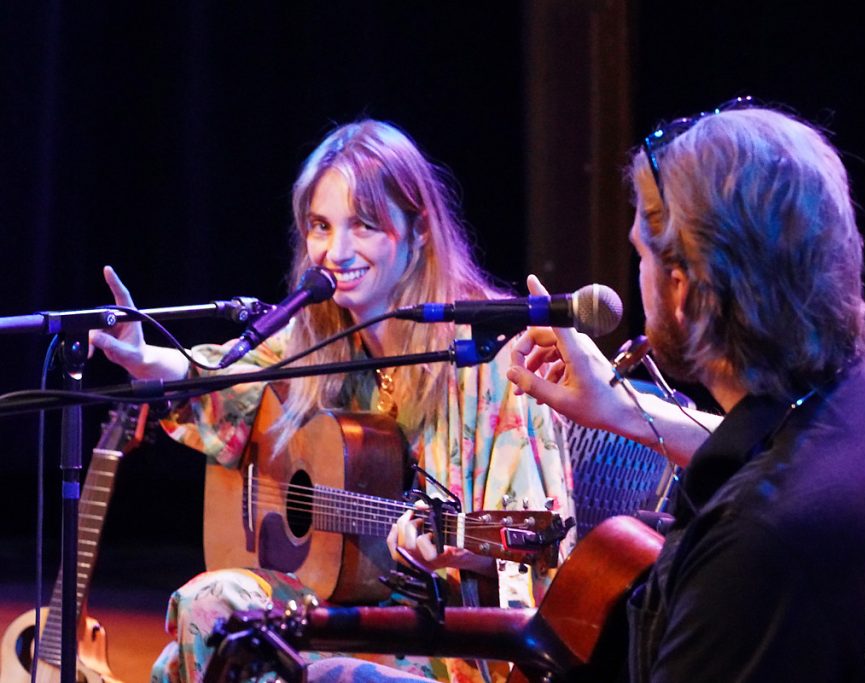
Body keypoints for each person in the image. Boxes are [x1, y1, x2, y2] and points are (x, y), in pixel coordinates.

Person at [503, 103, 865, 680]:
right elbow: (782, 448)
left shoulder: (756, 548)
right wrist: (624, 409)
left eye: (641, 254)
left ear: (680, 290)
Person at [90, 119, 574, 683]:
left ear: (418, 231)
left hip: (454, 641)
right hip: (358, 616)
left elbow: (536, 548)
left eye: (363, 225)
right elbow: (234, 382)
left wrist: (455, 550)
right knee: (214, 613)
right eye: (321, 226)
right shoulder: (322, 340)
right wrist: (151, 361)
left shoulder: (496, 360)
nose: (336, 252)